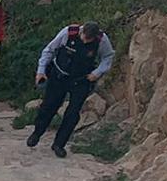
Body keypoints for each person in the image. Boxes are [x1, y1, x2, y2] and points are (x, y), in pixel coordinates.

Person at [30, 20, 115, 157]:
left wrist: (97, 73)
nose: (86, 42)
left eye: (90, 40)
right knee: (48, 106)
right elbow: (49, 50)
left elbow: (108, 57)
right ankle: (37, 132)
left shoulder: (101, 40)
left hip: (81, 80)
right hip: (59, 76)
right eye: (84, 38)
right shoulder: (68, 33)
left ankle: (59, 144)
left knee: (73, 112)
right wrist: (41, 71)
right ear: (81, 31)